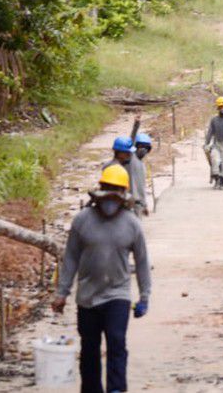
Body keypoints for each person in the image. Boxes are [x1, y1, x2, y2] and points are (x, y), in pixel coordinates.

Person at [53, 164, 151, 393]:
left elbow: (143, 261)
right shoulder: (82, 221)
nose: (110, 199)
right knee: (89, 348)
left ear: (123, 196)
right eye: (108, 191)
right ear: (100, 190)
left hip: (118, 293)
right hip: (87, 296)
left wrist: (145, 295)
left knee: (117, 342)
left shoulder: (132, 224)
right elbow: (71, 258)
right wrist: (62, 292)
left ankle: (116, 388)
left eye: (116, 193)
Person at [102, 136, 149, 216]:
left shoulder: (108, 166)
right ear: (120, 153)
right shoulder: (118, 170)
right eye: (127, 153)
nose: (130, 155)